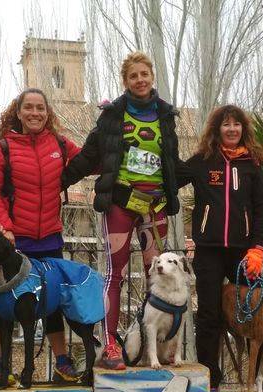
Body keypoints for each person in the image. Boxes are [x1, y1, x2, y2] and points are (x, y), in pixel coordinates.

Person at [62, 51, 186, 368]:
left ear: (152, 77)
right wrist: (58, 181)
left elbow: (173, 163)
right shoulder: (112, 115)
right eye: (133, 76)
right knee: (114, 274)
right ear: (125, 81)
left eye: (144, 74)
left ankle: (152, 347)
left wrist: (201, 172)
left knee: (156, 274)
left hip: (154, 206)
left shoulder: (166, 115)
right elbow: (88, 156)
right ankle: (111, 346)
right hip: (120, 203)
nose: (140, 80)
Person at [0, 88, 82, 382]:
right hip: (16, 241)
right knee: (6, 305)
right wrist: (5, 226)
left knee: (53, 302)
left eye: (40, 108)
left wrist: (110, 134)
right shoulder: (2, 149)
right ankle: (3, 366)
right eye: (29, 107)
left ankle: (62, 362)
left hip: (49, 237)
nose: (35, 113)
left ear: (47, 113)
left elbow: (90, 160)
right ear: (18, 112)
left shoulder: (60, 144)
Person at [180, 105, 263, 392]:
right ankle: (210, 379)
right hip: (209, 251)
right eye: (226, 124)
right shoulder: (203, 160)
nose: (232, 129)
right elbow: (174, 177)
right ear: (217, 129)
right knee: (209, 315)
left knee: (258, 312)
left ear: (244, 129)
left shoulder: (253, 163)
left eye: (236, 124)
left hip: (244, 252)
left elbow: (261, 209)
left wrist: (257, 248)